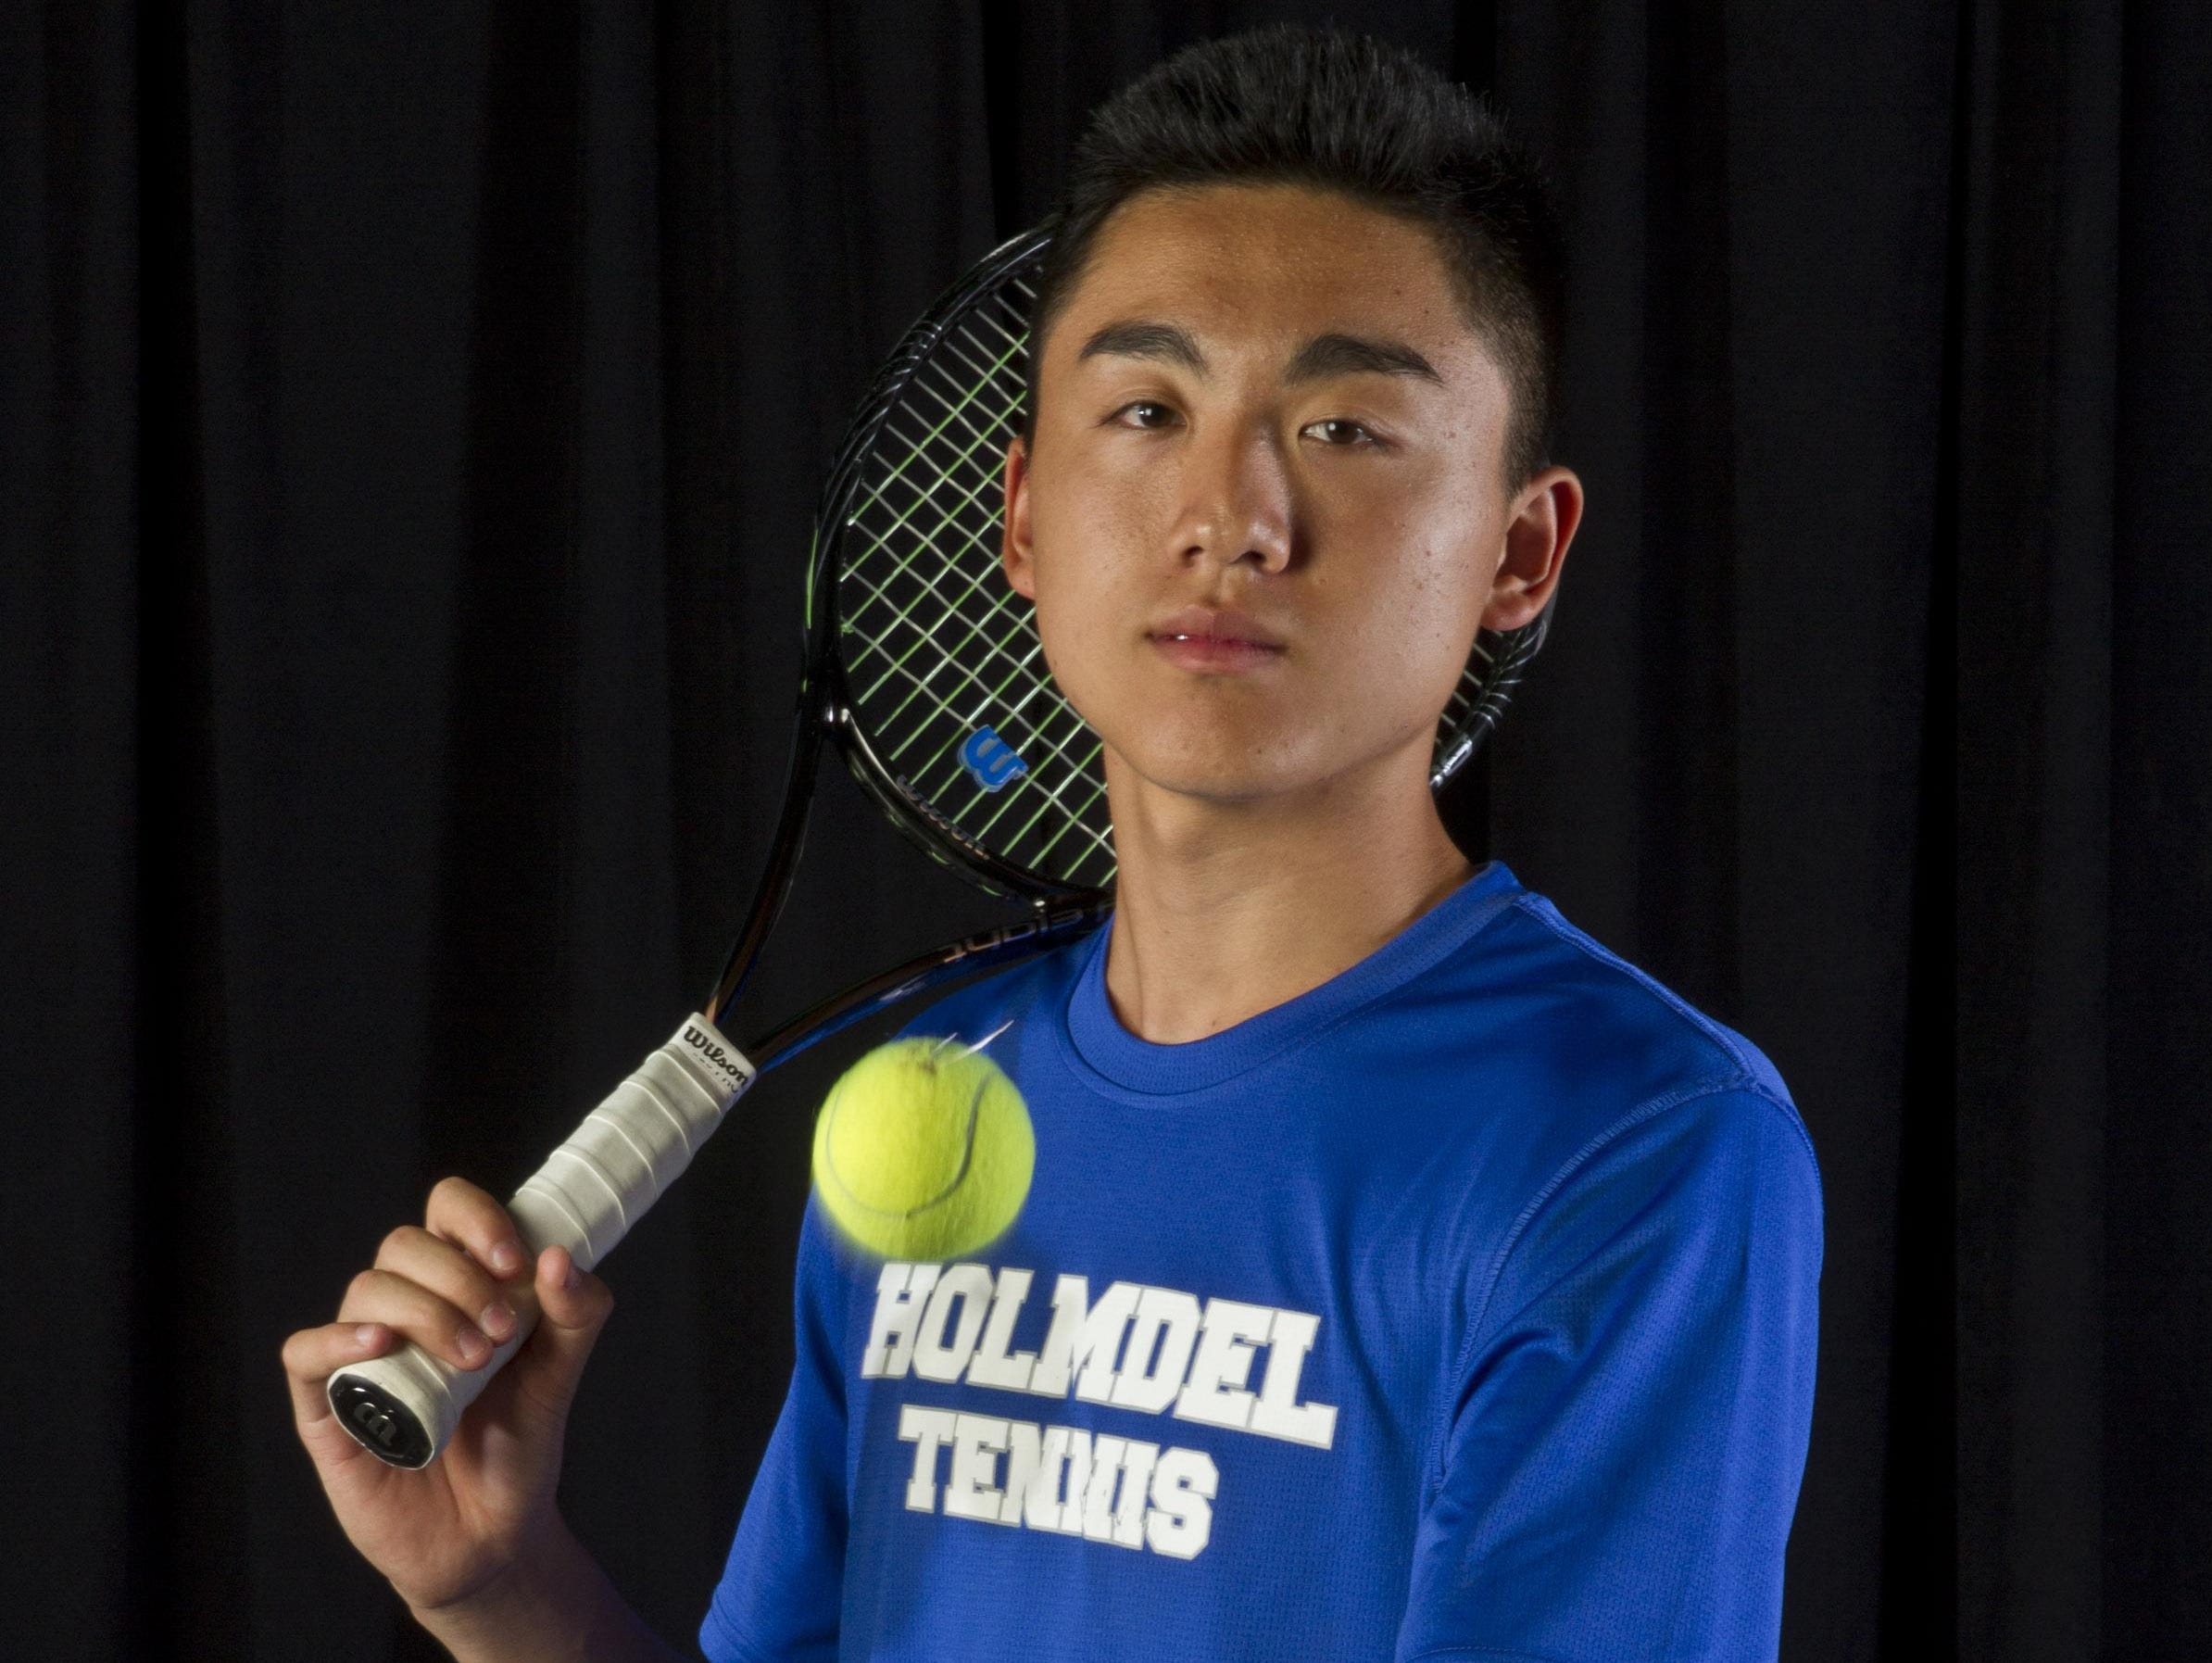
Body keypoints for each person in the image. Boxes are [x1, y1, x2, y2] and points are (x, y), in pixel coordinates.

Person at [283, 24, 1822, 1663]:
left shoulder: (1639, 1151)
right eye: (1148, 408)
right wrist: (497, 1588)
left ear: (1521, 553)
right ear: (1021, 517)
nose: (1230, 517)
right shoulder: (938, 1112)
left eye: (1346, 429)